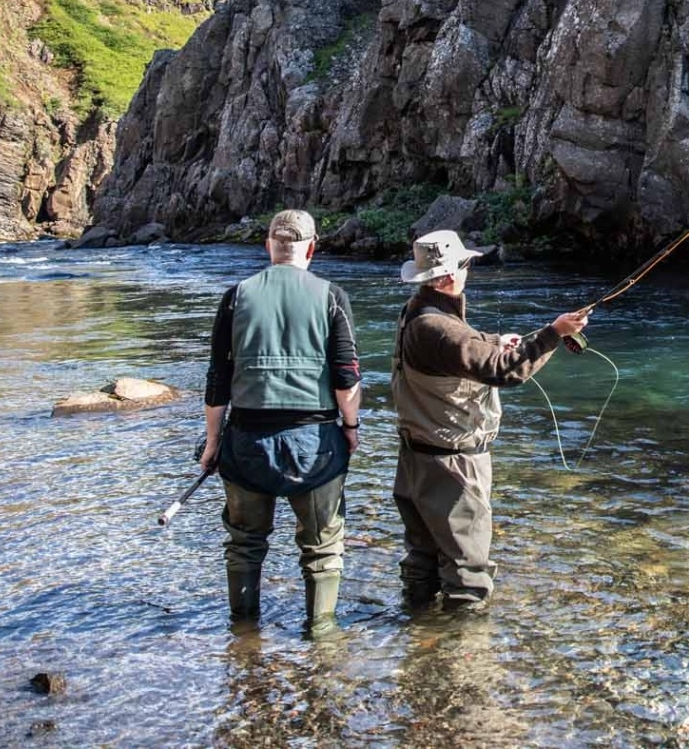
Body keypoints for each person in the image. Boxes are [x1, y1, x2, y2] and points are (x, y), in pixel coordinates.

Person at [392, 229, 590, 612]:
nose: (468, 270)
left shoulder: (417, 312)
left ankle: (417, 643)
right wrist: (555, 333)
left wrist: (494, 340)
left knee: (423, 560)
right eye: (465, 264)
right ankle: (467, 661)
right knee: (469, 573)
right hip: (452, 467)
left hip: (415, 460)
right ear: (450, 275)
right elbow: (507, 372)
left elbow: (462, 344)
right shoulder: (439, 329)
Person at [200, 209, 361, 638]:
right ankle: (322, 637)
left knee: (245, 545)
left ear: (269, 246)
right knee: (322, 548)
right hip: (316, 445)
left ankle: (244, 634)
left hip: (246, 442)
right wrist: (352, 427)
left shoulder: (236, 296)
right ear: (311, 248)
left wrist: (212, 443)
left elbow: (218, 382)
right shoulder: (331, 296)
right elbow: (346, 378)